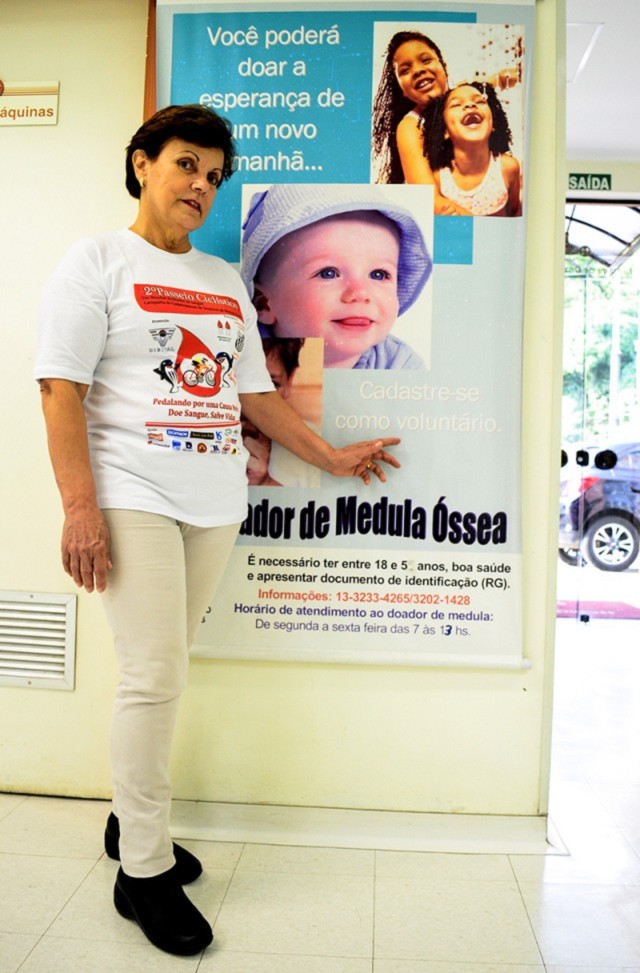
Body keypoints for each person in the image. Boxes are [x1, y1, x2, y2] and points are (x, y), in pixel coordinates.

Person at [34, 104, 401, 958]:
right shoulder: (96, 260)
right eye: (186, 164)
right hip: (130, 492)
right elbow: (60, 387)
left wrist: (330, 457)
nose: (200, 185)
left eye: (213, 175)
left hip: (214, 502)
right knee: (154, 675)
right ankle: (144, 869)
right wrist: (80, 507)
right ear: (143, 163)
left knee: (164, 668)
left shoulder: (222, 278)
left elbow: (254, 396)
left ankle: (128, 820)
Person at [240, 183, 432, 369]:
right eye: (328, 273)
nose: (360, 293)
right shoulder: (244, 358)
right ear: (263, 305)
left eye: (379, 274)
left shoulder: (401, 364)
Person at [372, 29, 519, 213]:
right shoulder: (410, 127)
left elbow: (502, 78)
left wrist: (512, 74)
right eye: (405, 70)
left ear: (444, 66)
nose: (418, 70)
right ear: (402, 90)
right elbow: (429, 201)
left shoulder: (464, 95)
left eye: (426, 60)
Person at [421, 82, 522, 217]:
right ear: (444, 130)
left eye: (480, 101)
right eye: (456, 104)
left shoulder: (508, 168)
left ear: (493, 123)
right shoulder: (439, 180)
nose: (470, 105)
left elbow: (515, 213)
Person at [243, 337, 321, 487]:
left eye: (271, 384)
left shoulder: (312, 444)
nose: (253, 401)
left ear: (288, 382)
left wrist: (265, 482)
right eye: (239, 382)